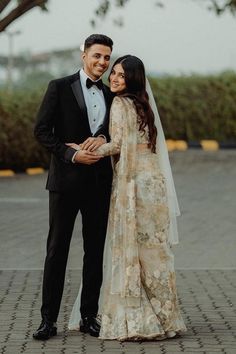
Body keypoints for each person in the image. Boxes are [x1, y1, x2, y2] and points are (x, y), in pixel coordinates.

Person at [69, 55, 187, 340]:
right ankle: (165, 318)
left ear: (132, 78)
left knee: (132, 250)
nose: (114, 78)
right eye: (114, 73)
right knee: (154, 252)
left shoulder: (120, 104)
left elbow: (119, 145)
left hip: (133, 186)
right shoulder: (144, 105)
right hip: (154, 186)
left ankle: (136, 320)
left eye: (121, 75)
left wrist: (85, 150)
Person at [33, 34, 113, 340]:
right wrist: (72, 154)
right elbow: (41, 130)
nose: (102, 63)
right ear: (84, 55)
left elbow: (111, 128)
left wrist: (104, 137)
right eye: (97, 56)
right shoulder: (58, 87)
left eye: (107, 58)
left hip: (98, 185)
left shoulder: (111, 94)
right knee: (57, 251)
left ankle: (88, 317)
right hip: (65, 183)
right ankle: (48, 320)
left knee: (94, 252)